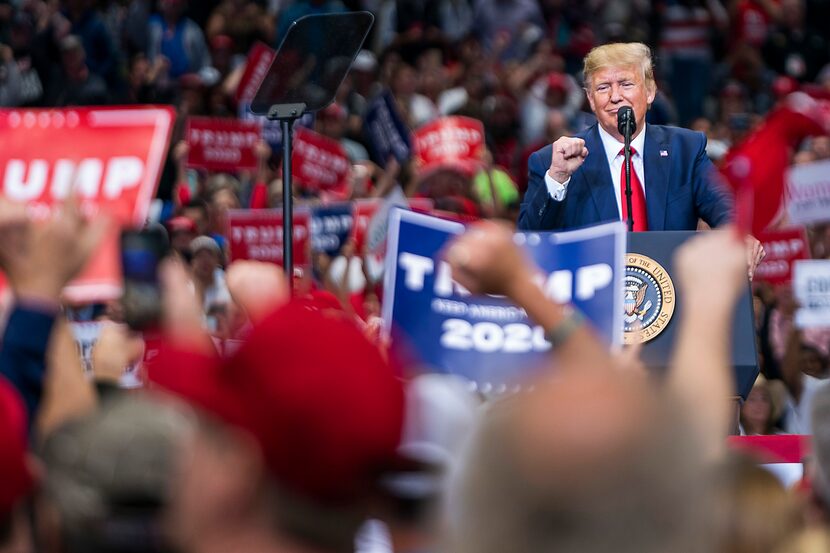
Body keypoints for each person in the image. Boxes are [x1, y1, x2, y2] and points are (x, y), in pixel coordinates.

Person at [518, 42, 764, 275]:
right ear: (591, 100)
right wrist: (557, 178)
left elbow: (724, 207)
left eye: (626, 84)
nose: (615, 96)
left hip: (672, 300)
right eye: (603, 87)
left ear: (650, 92)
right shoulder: (554, 161)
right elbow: (530, 243)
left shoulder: (685, 149)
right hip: (593, 311)